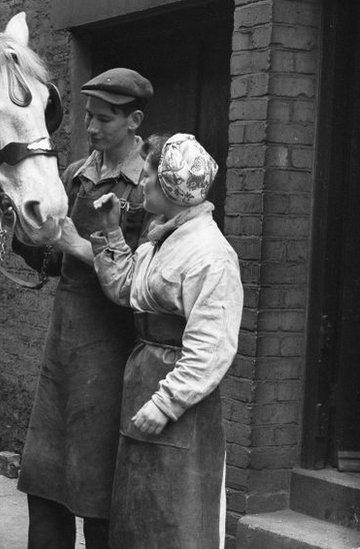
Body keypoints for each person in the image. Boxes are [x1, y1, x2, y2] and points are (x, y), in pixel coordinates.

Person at [13, 67, 154, 548]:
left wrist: (77, 247)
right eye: (89, 116)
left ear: (134, 120)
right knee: (46, 479)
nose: (92, 129)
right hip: (62, 350)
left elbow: (144, 280)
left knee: (98, 485)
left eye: (105, 120)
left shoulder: (148, 190)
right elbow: (53, 262)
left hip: (111, 350)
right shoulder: (76, 176)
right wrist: (24, 236)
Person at [92, 133, 241, 548]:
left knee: (177, 516)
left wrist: (166, 403)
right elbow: (127, 292)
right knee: (139, 512)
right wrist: (110, 230)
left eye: (150, 177)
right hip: (142, 379)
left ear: (173, 187)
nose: (142, 183)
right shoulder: (163, 236)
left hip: (179, 402)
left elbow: (211, 347)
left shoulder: (210, 255)